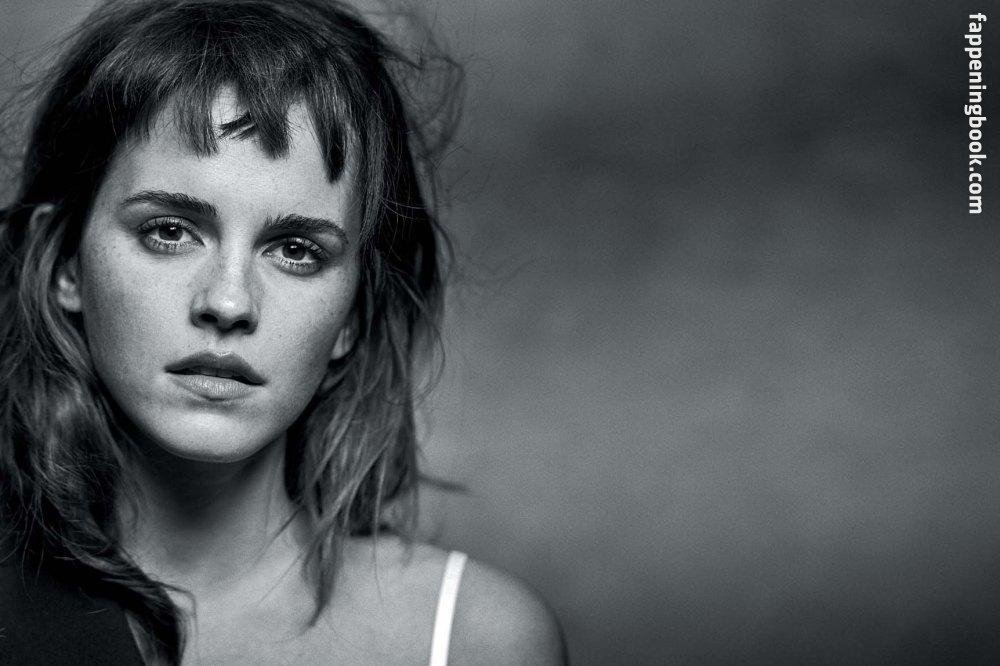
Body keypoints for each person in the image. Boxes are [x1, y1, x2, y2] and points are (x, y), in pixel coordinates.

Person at [0, 0, 566, 663]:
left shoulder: (479, 640)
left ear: (353, 314)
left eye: (297, 251)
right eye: (169, 232)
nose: (229, 302)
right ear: (64, 262)